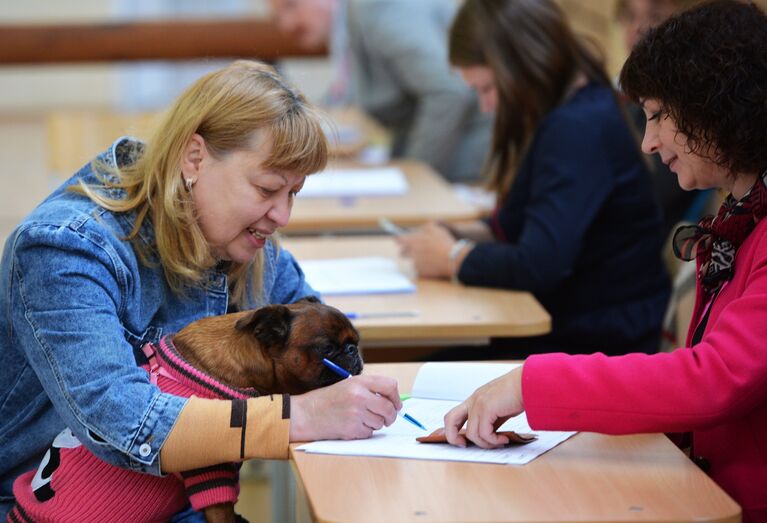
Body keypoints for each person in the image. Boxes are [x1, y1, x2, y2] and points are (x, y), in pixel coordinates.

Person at [0, 60, 401, 520]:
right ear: (195, 158)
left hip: (176, 501)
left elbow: (317, 338)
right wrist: (299, 418)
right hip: (44, 505)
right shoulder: (65, 248)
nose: (283, 216)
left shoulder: (239, 238)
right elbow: (123, 419)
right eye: (268, 188)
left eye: (294, 193)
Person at [442, 2, 767, 520]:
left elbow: (716, 378)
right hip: (703, 476)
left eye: (659, 115)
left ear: (716, 107)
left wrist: (532, 383)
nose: (648, 140)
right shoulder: (742, 212)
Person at [397, 0, 670, 357]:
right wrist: (462, 235)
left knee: (420, 376)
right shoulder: (573, 109)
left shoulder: (575, 128)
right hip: (580, 326)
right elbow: (531, 222)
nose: (485, 107)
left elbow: (540, 263)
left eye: (487, 89)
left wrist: (454, 257)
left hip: (597, 345)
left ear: (520, 68)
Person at [268, 0, 492, 183]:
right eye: (277, 17)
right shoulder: (352, 25)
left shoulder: (377, 10)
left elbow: (448, 91)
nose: (286, 25)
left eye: (292, 5)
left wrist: (415, 176)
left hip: (470, 164)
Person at [616, 0, 700, 238]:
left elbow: (644, 200)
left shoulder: (691, 110)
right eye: (630, 18)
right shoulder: (630, 104)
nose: (638, 29)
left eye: (655, 17)